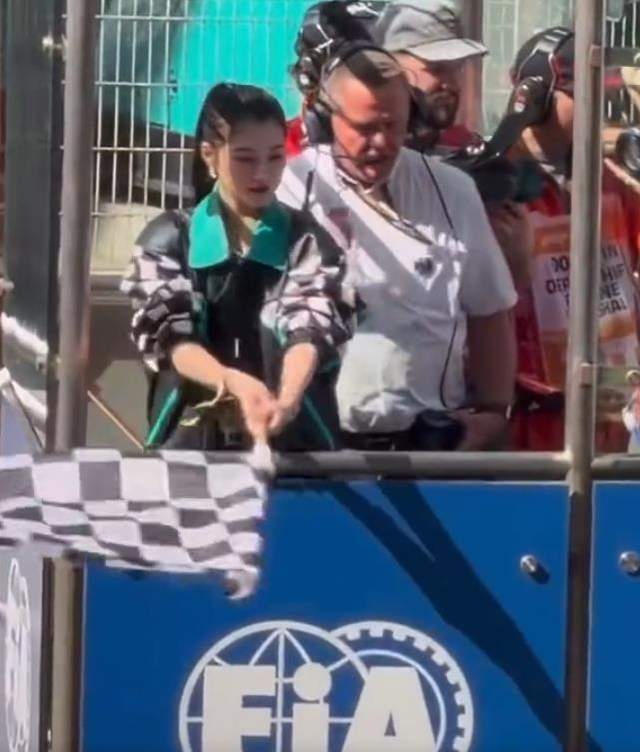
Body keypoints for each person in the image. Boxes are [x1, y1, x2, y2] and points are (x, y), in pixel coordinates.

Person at [279, 46, 517, 451]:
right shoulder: (291, 188)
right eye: (365, 127)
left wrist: (493, 414)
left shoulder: (453, 191)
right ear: (324, 119)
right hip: (322, 444)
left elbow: (490, 309)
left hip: (430, 444)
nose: (381, 142)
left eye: (393, 125)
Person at [121, 83, 352, 451]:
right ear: (209, 155)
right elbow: (173, 339)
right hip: (190, 450)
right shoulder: (168, 239)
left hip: (296, 449)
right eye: (245, 159)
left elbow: (310, 328)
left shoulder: (306, 239)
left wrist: (287, 399)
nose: (263, 173)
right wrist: (231, 382)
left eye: (275, 157)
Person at [506, 28, 640, 452]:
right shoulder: (498, 186)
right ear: (538, 98)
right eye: (583, 95)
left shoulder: (609, 182)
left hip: (614, 412)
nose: (598, 109)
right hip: (531, 416)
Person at [374, 0, 533, 291]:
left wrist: (515, 254)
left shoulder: (466, 150)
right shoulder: (363, 157)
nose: (451, 83)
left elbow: (499, 299)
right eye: (436, 68)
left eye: (456, 68)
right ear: (389, 67)